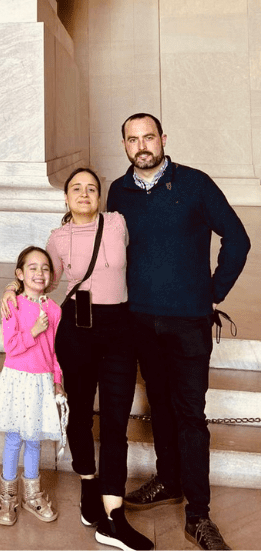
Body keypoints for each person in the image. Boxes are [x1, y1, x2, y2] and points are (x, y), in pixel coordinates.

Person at [108, 114, 251, 551]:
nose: (142, 145)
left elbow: (239, 239)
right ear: (126, 146)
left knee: (190, 414)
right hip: (139, 321)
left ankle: (198, 516)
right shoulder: (118, 191)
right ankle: (168, 479)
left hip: (188, 322)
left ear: (163, 139)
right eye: (132, 139)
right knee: (160, 404)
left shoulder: (195, 184)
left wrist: (211, 292)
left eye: (148, 136)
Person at [1, 169, 153, 551]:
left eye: (91, 188)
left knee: (116, 421)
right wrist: (10, 286)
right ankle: (88, 484)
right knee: (81, 413)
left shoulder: (117, 223)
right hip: (77, 331)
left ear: (100, 196)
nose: (84, 194)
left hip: (120, 328)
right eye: (76, 189)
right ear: (66, 199)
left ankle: (114, 517)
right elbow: (41, 278)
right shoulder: (58, 237)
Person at [0, 245, 63, 526]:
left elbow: (56, 352)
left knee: (34, 439)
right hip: (17, 379)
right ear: (19, 274)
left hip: (42, 380)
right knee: (15, 438)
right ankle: (7, 496)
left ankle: (32, 496)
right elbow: (11, 347)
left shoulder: (54, 310)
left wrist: (58, 381)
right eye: (32, 268)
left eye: (45, 268)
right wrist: (33, 332)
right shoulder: (13, 304)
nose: (39, 273)